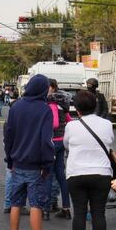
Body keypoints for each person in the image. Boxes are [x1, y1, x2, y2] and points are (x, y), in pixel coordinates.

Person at [3, 74, 60, 230]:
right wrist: (47, 164)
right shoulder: (44, 110)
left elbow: (9, 135)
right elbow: (46, 140)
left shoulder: (16, 106)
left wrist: (10, 160)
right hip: (36, 165)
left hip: (17, 163)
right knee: (36, 204)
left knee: (16, 203)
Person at [64, 90, 114, 230]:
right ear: (95, 106)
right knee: (98, 212)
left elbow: (67, 145)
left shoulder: (71, 126)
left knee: (79, 212)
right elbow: (109, 142)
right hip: (102, 173)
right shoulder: (106, 124)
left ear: (77, 109)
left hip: (76, 173)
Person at [46, 79, 72, 220]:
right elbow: (69, 121)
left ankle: (45, 209)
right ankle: (66, 207)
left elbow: (54, 124)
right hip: (62, 142)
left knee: (48, 175)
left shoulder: (51, 104)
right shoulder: (63, 104)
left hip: (52, 142)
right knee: (61, 175)